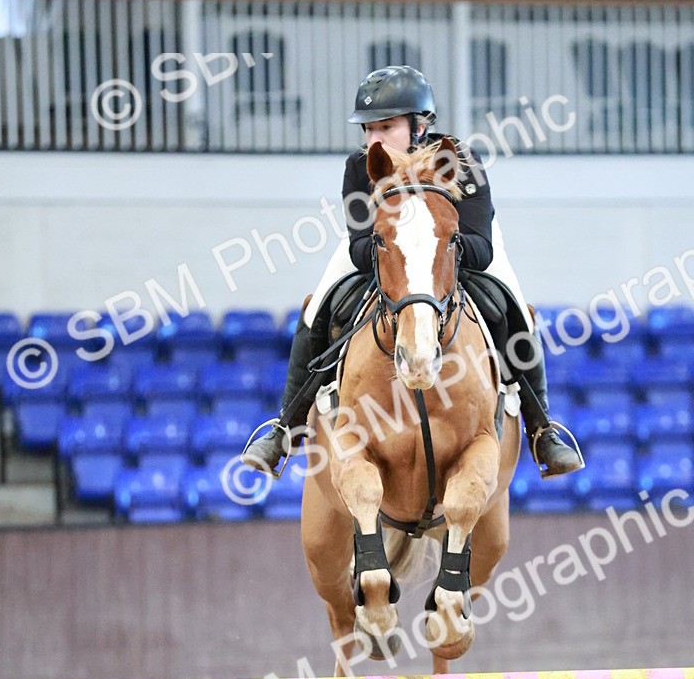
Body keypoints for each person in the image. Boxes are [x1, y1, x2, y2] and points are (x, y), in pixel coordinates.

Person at [242, 65, 582, 478]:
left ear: (419, 126)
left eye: (386, 127)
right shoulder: (360, 167)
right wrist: (400, 253)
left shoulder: (459, 160)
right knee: (319, 307)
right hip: (387, 252)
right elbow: (359, 245)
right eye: (368, 129)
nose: (374, 139)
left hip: (458, 251)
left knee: (513, 307)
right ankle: (285, 428)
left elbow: (481, 246)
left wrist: (435, 253)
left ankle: (542, 430)